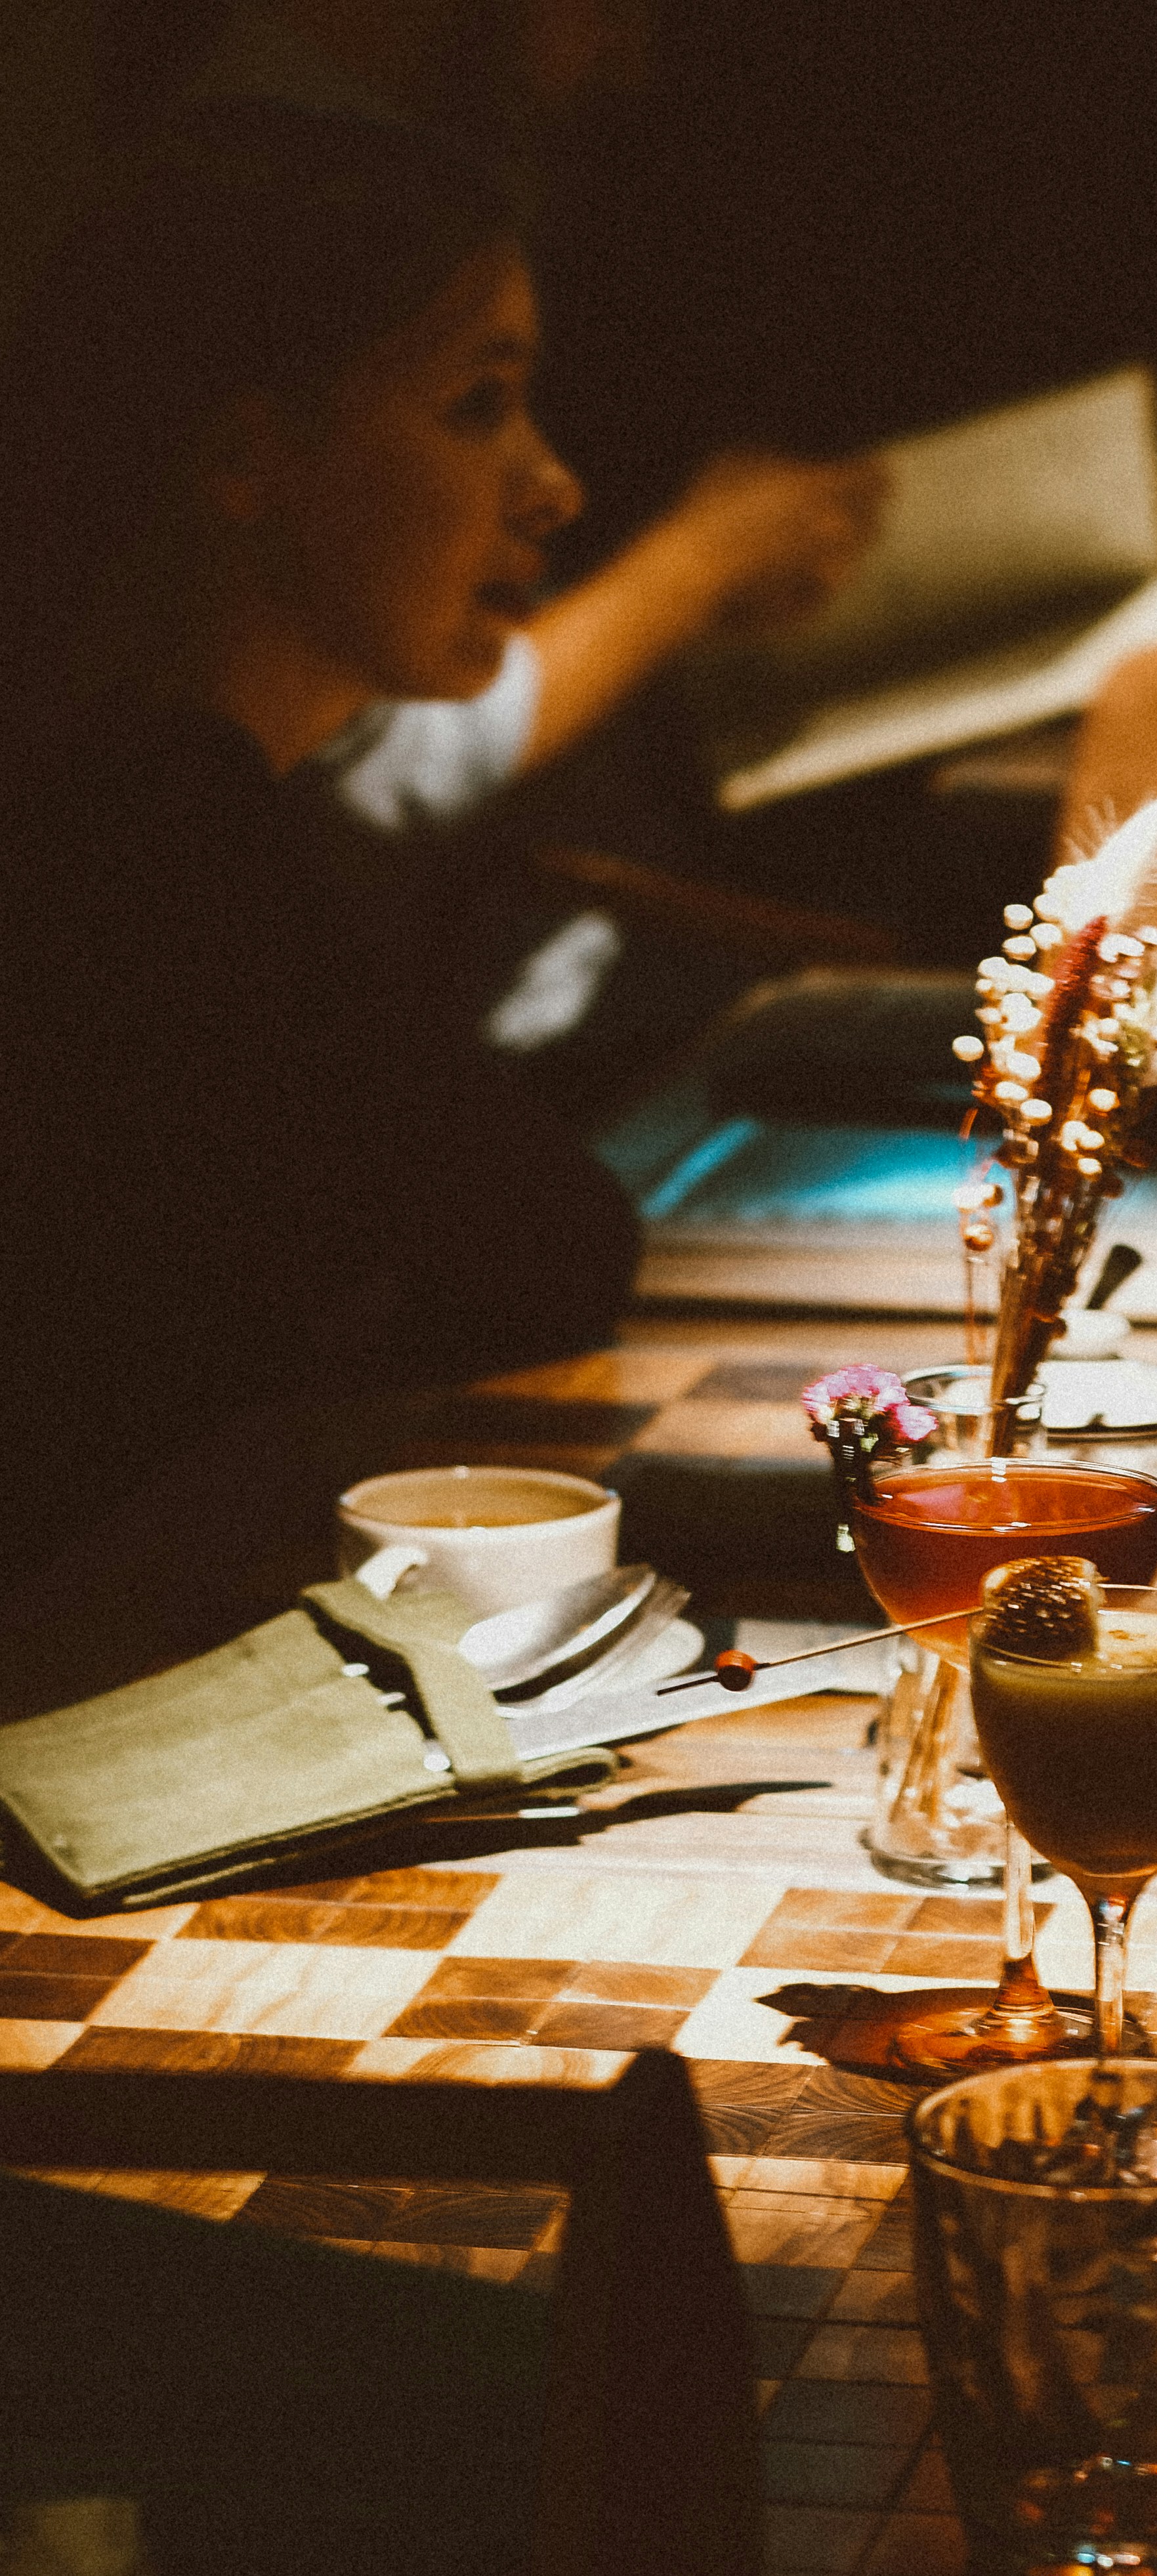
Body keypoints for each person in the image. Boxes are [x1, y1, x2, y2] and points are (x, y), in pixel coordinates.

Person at [0, 105, 644, 1586]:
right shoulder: (139, 854)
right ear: (250, 456)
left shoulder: (152, 804)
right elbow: (544, 1249)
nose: (551, 486)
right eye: (478, 408)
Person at [177, 6, 884, 840]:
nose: (628, 59)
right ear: (246, 458)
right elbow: (396, 766)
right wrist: (697, 564)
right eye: (479, 406)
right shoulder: (262, 183)